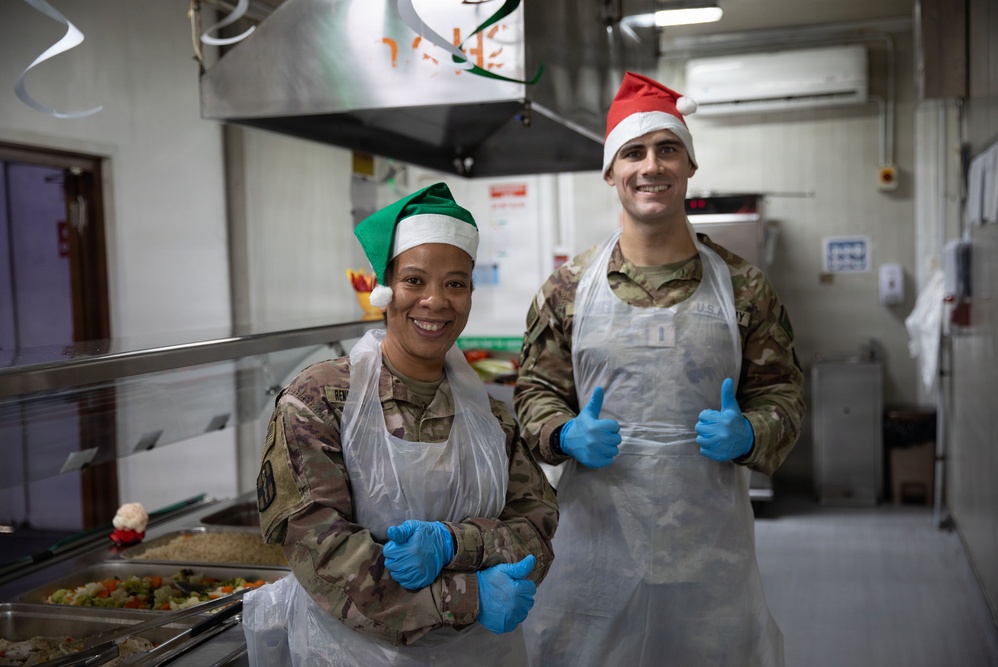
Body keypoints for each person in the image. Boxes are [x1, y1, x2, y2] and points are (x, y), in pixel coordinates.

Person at [514, 71, 805, 666]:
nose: (652, 166)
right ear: (611, 172)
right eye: (634, 152)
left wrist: (752, 432)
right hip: (596, 548)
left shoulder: (744, 287)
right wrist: (563, 432)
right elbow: (535, 389)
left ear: (689, 165)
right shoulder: (567, 290)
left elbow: (783, 393)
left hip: (709, 552)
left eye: (668, 149)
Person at [245, 182, 559, 666]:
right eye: (415, 280)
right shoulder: (320, 402)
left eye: (455, 283)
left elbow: (536, 530)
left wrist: (454, 543)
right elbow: (325, 556)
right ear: (386, 290)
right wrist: (469, 594)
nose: (435, 301)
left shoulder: (490, 417)